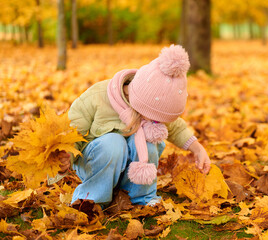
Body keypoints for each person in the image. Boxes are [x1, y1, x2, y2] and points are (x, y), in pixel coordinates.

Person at [59, 45, 211, 207]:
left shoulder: (155, 109)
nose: (157, 122)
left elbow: (177, 128)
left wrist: (197, 149)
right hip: (96, 163)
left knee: (149, 142)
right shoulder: (98, 97)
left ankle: (139, 196)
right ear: (138, 102)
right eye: (154, 118)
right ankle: (91, 199)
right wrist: (65, 155)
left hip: (129, 170)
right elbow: (72, 131)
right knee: (113, 142)